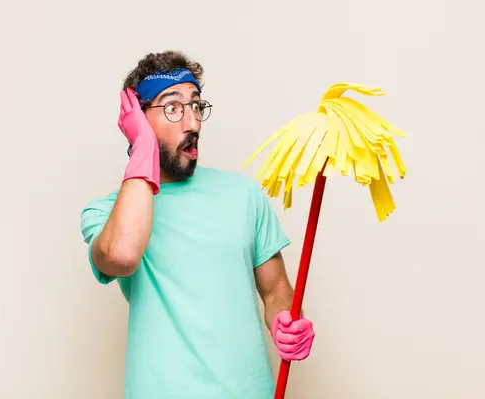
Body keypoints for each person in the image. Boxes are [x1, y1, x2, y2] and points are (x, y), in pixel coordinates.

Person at [80, 50, 316, 399]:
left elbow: (276, 289)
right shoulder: (107, 213)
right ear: (137, 120)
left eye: (196, 106)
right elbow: (122, 255)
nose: (192, 123)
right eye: (173, 108)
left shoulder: (243, 194)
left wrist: (286, 321)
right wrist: (142, 145)